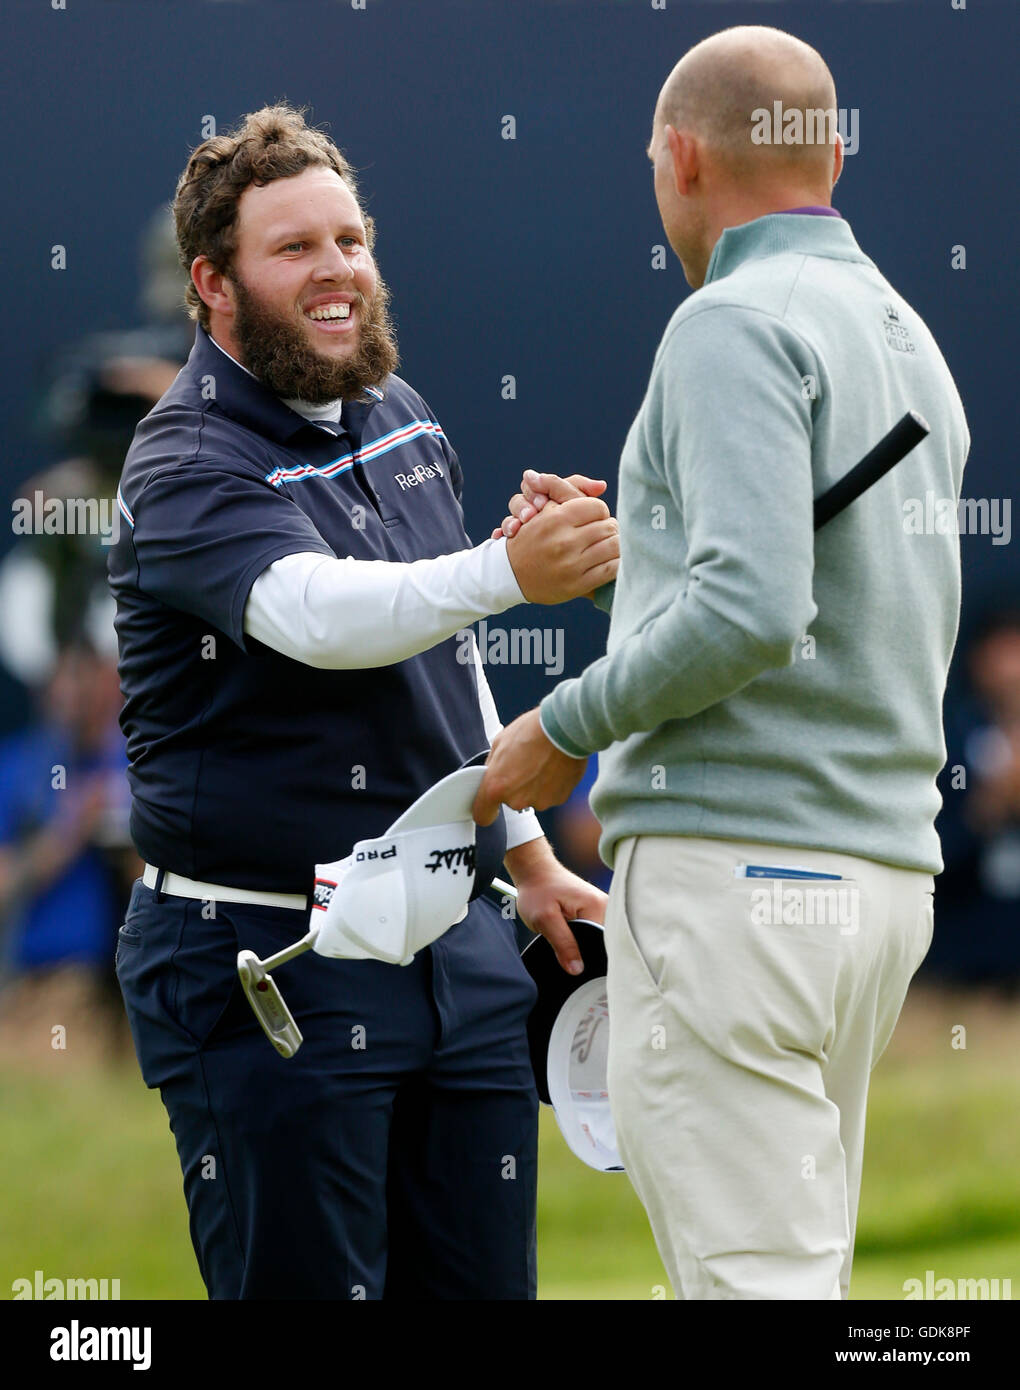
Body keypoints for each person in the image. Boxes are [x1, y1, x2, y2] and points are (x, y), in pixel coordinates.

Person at [474, 25, 970, 1300]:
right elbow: (803, 618)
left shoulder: (727, 325)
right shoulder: (909, 336)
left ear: (681, 159)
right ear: (837, 156)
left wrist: (561, 725)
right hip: (869, 890)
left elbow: (751, 614)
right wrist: (631, 565)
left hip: (736, 884)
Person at [108, 103, 616, 1300]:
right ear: (212, 282)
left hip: (457, 945)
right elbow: (314, 615)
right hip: (269, 958)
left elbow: (444, 650)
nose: (337, 268)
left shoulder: (400, 412)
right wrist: (506, 572)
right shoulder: (182, 457)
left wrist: (529, 847)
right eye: (294, 247)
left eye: (352, 237)